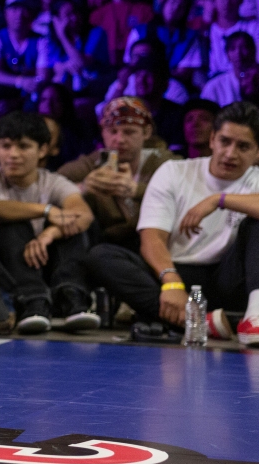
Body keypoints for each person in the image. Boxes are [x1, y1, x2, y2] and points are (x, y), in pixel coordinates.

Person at [81, 102, 259, 345]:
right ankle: (202, 321)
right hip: (173, 271)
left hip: (227, 278)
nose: (230, 154)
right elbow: (152, 238)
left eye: (243, 146)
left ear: (257, 152)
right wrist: (172, 283)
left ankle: (254, 315)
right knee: (101, 255)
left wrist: (219, 199)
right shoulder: (174, 172)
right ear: (212, 139)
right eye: (224, 141)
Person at [0, 111, 97, 333]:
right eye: (5, 146)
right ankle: (32, 302)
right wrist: (46, 211)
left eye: (23, 146)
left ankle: (71, 298)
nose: (13, 154)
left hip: (42, 264)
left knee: (72, 229)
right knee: (13, 226)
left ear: (43, 150)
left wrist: (49, 234)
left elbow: (83, 215)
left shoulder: (53, 182)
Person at [58, 97, 172, 250]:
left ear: (146, 132)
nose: (119, 139)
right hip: (105, 245)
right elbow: (51, 183)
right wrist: (82, 188)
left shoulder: (163, 162)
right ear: (103, 132)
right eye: (112, 131)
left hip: (155, 244)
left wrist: (137, 190)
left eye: (129, 132)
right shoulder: (93, 162)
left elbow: (183, 195)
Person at [0, 0, 44, 101]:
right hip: (5, 93)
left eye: (23, 9)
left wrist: (32, 83)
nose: (19, 14)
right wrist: (20, 81)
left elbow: (43, 76)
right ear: (5, 13)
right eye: (14, 9)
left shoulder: (41, 41)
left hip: (32, 93)